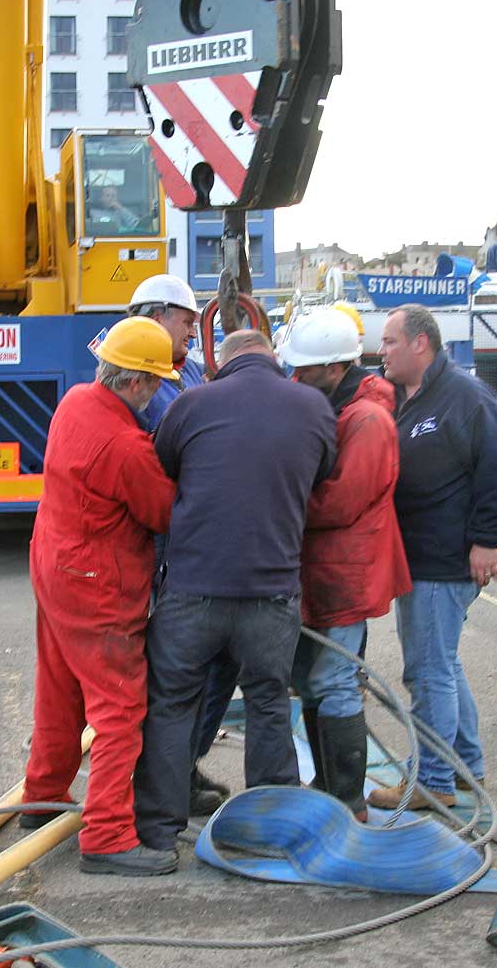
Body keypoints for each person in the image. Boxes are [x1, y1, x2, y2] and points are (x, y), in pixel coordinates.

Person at [134, 329, 337, 855]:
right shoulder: (313, 407)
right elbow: (323, 473)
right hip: (270, 592)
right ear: (274, 358)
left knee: (172, 705)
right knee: (269, 701)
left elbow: (166, 466)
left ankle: (158, 831)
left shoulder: (190, 403)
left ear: (221, 361)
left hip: (193, 590)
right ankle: (269, 832)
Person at [21, 317, 180, 877]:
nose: (160, 391)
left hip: (54, 566)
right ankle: (108, 834)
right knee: (120, 708)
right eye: (157, 381)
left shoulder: (75, 403)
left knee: (60, 688)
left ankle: (42, 795)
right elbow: (163, 511)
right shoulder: (126, 445)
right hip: (97, 586)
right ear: (136, 382)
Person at [367, 305, 497, 811]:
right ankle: (465, 767)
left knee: (428, 671)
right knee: (444, 666)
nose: (381, 350)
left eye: (389, 341)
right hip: (420, 555)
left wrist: (487, 541)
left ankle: (432, 779)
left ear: (420, 344)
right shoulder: (408, 397)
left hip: (443, 558)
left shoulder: (465, 398)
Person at [278, 311, 411, 820]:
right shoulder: (342, 407)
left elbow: (340, 502)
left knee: (334, 680)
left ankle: (348, 799)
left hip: (347, 570)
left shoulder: (367, 420)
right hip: (327, 568)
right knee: (315, 681)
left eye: (304, 370)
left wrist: (280, 503)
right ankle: (328, 783)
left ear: (334, 369)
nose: (295, 378)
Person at [127, 273, 234, 815]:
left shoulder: (186, 370)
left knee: (220, 662)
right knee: (178, 668)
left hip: (201, 535)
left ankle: (182, 767)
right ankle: (162, 785)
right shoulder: (139, 380)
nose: (195, 328)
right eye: (186, 319)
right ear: (153, 317)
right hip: (172, 544)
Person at [127, 274, 203, 428]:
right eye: (187, 323)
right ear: (157, 322)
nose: (193, 333)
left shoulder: (195, 370)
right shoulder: (129, 382)